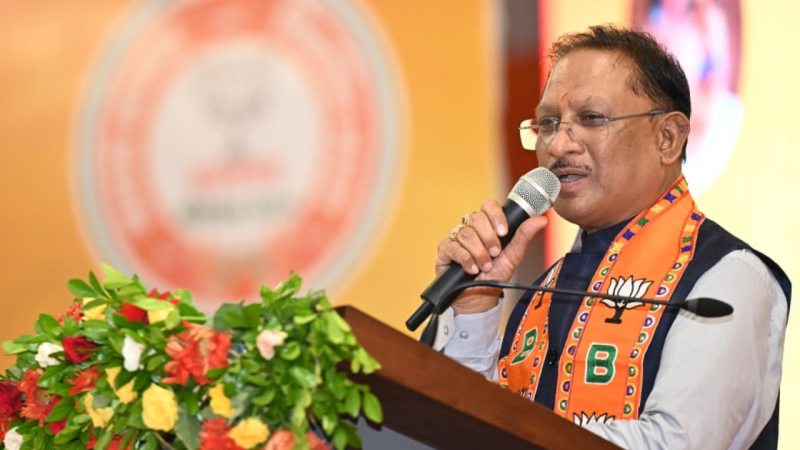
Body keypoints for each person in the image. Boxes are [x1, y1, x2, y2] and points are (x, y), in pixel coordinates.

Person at [432, 25, 790, 450]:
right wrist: (473, 311)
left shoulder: (725, 277)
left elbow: (674, 443)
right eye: (548, 123)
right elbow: (459, 429)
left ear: (668, 138)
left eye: (591, 118)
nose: (558, 145)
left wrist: (510, 435)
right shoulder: (543, 291)